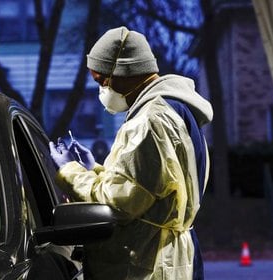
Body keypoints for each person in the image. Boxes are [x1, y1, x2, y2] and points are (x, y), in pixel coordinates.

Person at [49, 26, 213, 280]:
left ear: (124, 71)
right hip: (170, 256)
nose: (102, 88)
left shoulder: (150, 121)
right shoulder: (175, 109)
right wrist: (96, 170)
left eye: (102, 79)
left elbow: (119, 203)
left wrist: (70, 171)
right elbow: (145, 187)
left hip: (149, 263)